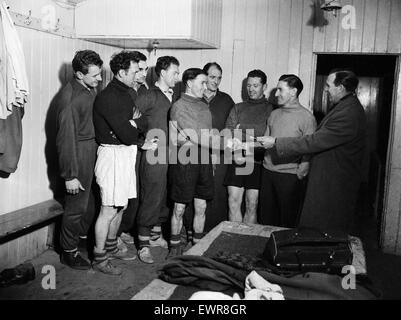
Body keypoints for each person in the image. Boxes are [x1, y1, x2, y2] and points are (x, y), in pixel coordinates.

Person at [256, 69, 367, 233]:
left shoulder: (348, 112)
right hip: (321, 178)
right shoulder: (344, 107)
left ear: (341, 88)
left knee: (320, 225)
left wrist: (277, 143)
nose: (326, 89)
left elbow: (314, 141)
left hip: (334, 181)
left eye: (329, 86)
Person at [92, 50, 157, 275]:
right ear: (121, 72)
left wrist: (135, 123)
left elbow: (143, 122)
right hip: (112, 156)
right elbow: (129, 134)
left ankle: (111, 247)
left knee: (121, 205)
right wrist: (135, 124)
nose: (139, 74)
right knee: (108, 209)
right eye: (135, 70)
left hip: (125, 153)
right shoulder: (109, 97)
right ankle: (99, 258)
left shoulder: (127, 93)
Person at [56, 50, 103, 270]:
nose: (99, 79)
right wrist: (70, 175)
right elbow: (65, 140)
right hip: (78, 154)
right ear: (78, 74)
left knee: (90, 204)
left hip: (91, 150)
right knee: (75, 208)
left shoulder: (88, 88)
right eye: (94, 75)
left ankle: (82, 240)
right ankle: (68, 252)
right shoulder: (70, 99)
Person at [181, 62, 235, 244]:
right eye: (212, 77)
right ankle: (190, 232)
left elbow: (231, 126)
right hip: (193, 154)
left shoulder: (226, 100)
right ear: (203, 77)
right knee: (192, 193)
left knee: (215, 194)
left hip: (219, 154)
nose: (216, 81)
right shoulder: (192, 99)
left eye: (219, 78)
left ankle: (211, 234)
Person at [135, 56, 180, 264]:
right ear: (162, 73)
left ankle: (154, 235)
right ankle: (143, 244)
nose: (177, 77)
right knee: (151, 196)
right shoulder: (148, 95)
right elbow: (129, 120)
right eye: (175, 73)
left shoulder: (174, 95)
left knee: (163, 196)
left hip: (170, 154)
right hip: (154, 155)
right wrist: (141, 142)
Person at [259, 74, 316, 228]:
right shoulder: (274, 114)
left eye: (280, 90)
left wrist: (302, 169)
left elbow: (309, 148)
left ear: (293, 92)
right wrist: (242, 144)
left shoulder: (306, 117)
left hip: (289, 176)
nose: (276, 94)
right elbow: (265, 141)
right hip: (267, 172)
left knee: (286, 221)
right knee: (266, 219)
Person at [224, 69, 273, 224]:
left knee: (252, 204)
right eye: (249, 85)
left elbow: (267, 139)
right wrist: (253, 137)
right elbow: (229, 133)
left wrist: (242, 132)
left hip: (257, 162)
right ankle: (234, 241)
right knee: (233, 201)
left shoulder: (271, 110)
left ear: (264, 86)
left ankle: (247, 244)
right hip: (237, 159)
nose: (251, 89)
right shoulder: (238, 108)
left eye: (256, 85)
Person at [116, 51, 149, 251]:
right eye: (139, 69)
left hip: (137, 148)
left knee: (133, 194)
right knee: (120, 196)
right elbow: (128, 125)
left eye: (145, 69)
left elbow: (141, 121)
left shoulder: (142, 92)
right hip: (124, 148)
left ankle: (124, 229)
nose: (143, 73)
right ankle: (115, 235)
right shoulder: (125, 93)